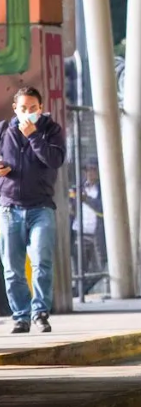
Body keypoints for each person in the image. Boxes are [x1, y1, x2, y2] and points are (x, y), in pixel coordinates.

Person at [0, 87, 66, 333]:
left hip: (41, 207)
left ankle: (40, 312)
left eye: (33, 108)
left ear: (40, 108)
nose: (28, 113)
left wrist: (34, 136)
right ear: (14, 109)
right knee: (12, 267)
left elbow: (55, 160)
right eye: (23, 108)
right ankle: (21, 316)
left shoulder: (51, 130)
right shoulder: (4, 131)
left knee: (42, 261)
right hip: (9, 208)